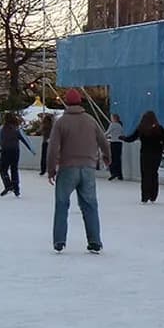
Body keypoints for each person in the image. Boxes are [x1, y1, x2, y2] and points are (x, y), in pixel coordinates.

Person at [47, 88, 111, 254]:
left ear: (66, 103)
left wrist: (51, 169)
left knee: (62, 204)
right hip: (88, 167)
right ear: (81, 101)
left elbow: (53, 147)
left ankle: (59, 241)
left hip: (68, 168)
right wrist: (107, 156)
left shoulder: (61, 122)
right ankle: (95, 241)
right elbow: (103, 140)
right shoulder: (90, 120)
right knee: (90, 205)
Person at [122, 110, 164, 204]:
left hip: (145, 154)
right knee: (154, 174)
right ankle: (153, 195)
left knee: (145, 175)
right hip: (157, 154)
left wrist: (123, 138)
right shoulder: (159, 128)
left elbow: (131, 138)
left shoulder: (141, 128)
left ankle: (145, 196)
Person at [0, 112, 34, 197]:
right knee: (14, 169)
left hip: (5, 150)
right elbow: (25, 139)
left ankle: (8, 185)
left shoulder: (2, 128)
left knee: (3, 168)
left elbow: (0, 139)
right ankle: (16, 189)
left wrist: (1, 146)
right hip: (15, 151)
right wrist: (32, 150)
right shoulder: (17, 129)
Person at [105, 113, 124, 180]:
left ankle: (113, 172)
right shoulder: (120, 125)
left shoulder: (112, 125)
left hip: (114, 142)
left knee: (112, 158)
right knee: (118, 158)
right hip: (119, 143)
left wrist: (102, 136)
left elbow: (107, 132)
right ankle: (120, 174)